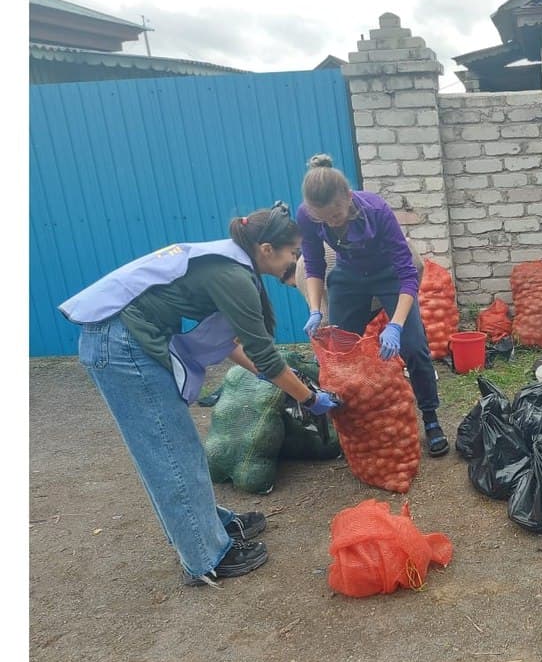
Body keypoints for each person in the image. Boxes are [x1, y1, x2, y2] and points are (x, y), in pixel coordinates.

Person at [58, 201, 339, 587]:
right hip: (120, 345)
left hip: (123, 339)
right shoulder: (234, 275)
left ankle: (210, 525)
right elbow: (264, 354)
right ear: (266, 249)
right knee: (168, 450)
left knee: (178, 445)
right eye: (293, 253)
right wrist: (309, 398)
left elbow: (229, 345)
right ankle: (206, 555)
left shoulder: (229, 263)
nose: (294, 262)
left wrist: (277, 379)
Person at [296, 154, 450, 457]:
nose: (332, 221)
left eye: (337, 214)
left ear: (348, 197)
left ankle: (431, 419)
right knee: (340, 351)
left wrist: (395, 325)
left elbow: (408, 275)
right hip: (348, 276)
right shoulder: (307, 215)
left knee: (415, 346)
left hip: (389, 274)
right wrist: (315, 309)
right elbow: (314, 264)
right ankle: (355, 425)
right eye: (324, 218)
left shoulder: (376, 209)